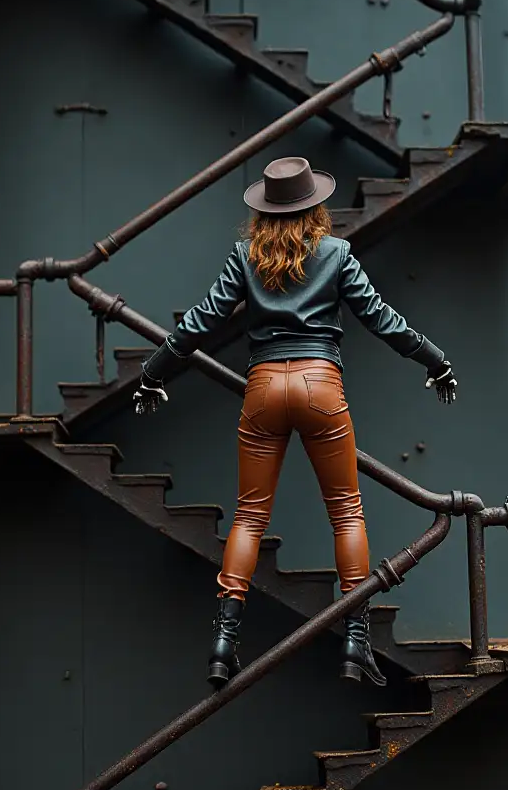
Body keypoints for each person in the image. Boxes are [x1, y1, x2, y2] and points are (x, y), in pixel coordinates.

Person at [133, 156, 457, 689]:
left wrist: (152, 372)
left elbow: (200, 321)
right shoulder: (336, 254)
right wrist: (435, 359)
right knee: (347, 514)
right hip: (320, 385)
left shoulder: (246, 258)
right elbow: (379, 317)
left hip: (263, 389)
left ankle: (223, 641)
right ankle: (356, 640)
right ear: (314, 209)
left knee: (250, 516)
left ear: (265, 213)